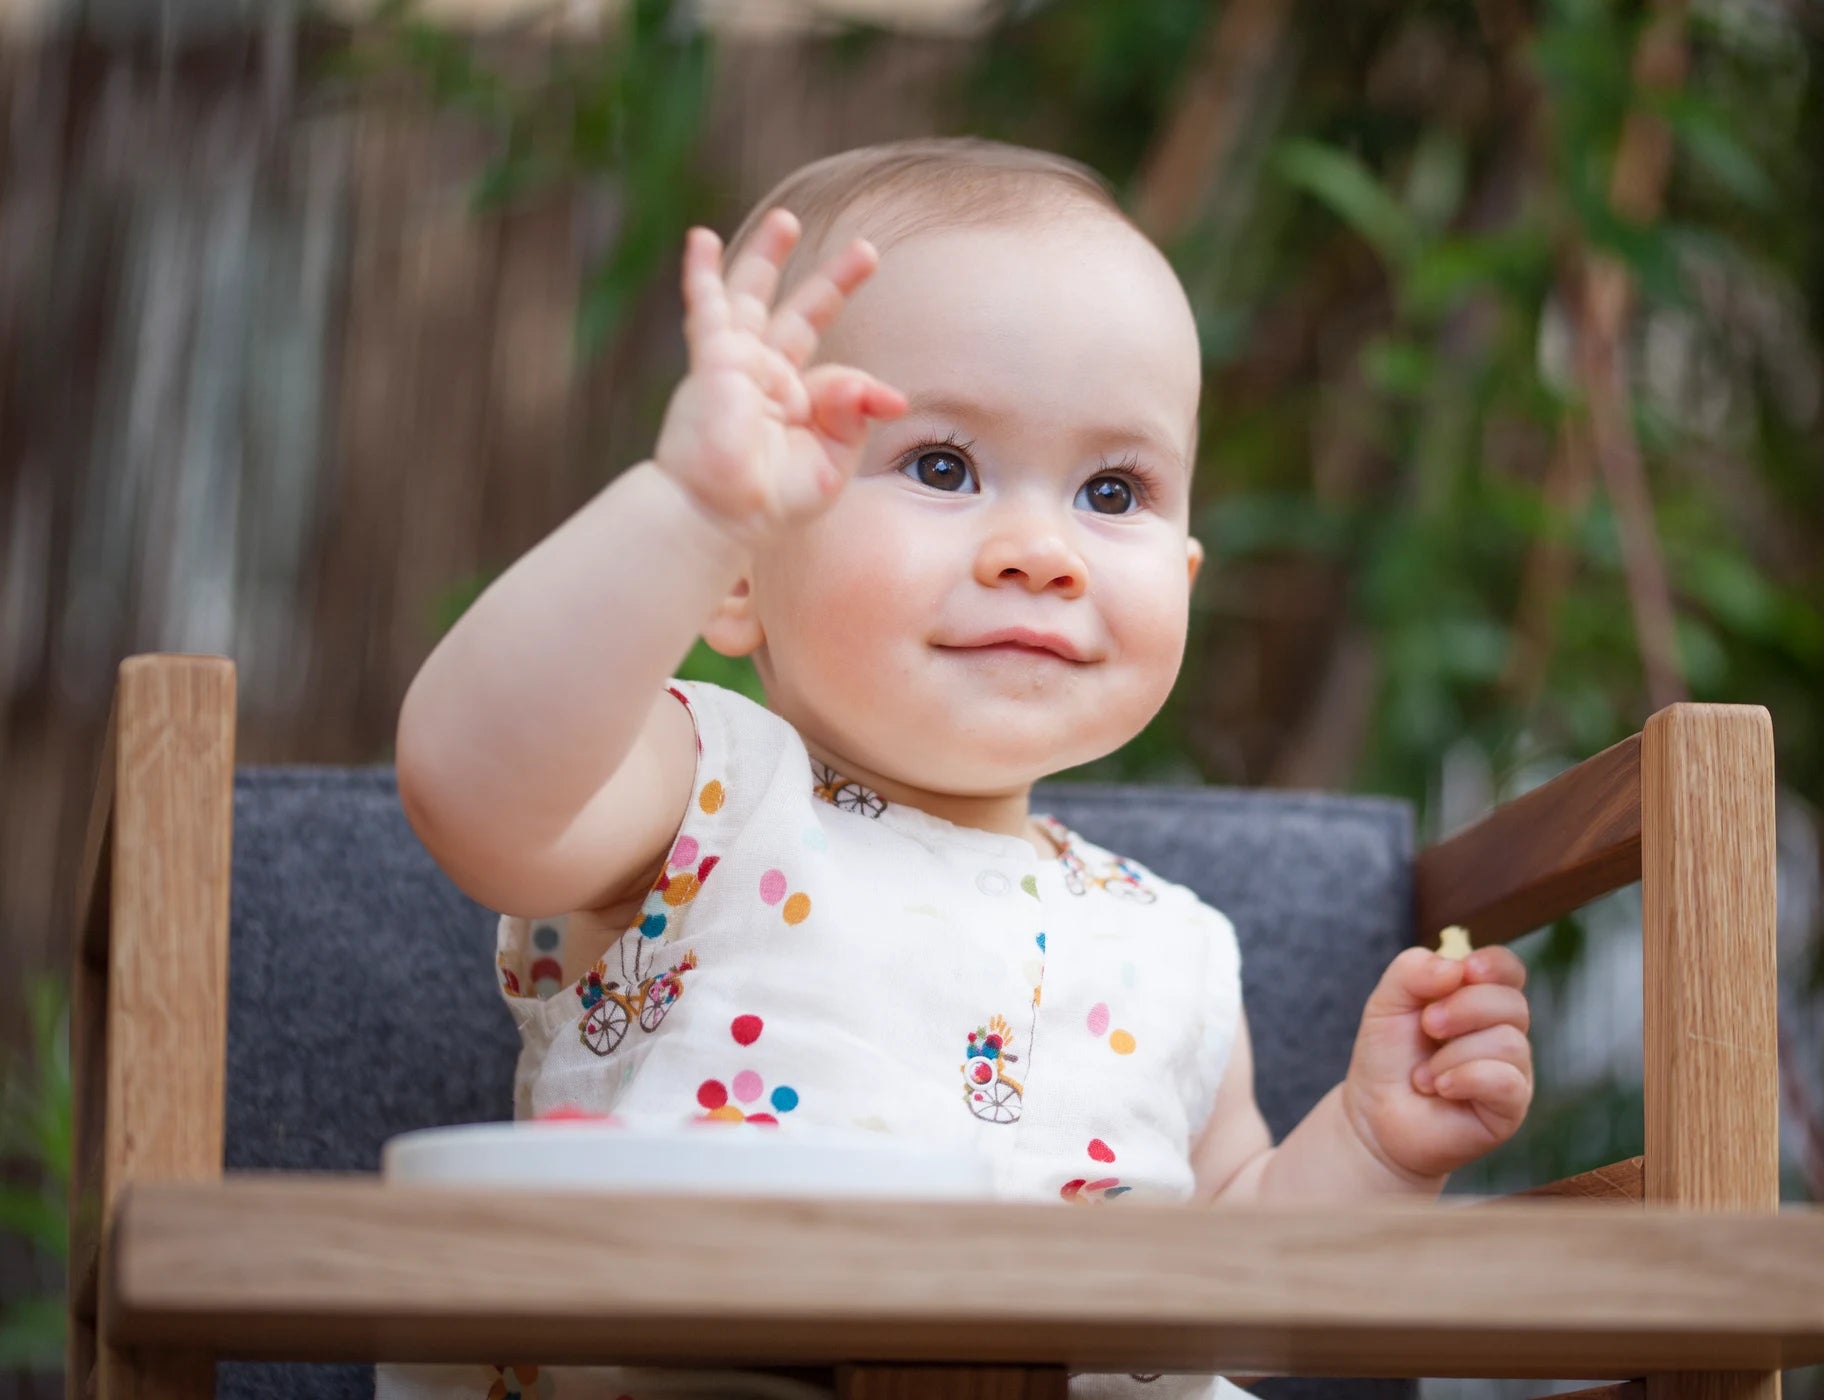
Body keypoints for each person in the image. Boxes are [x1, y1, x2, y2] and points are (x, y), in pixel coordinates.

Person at [386, 137, 1535, 1400]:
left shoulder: (1175, 946)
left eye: (1113, 487)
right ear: (737, 569)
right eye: (942, 465)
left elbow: (1233, 1293)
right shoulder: (708, 786)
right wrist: (682, 507)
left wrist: (1372, 1147)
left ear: (1187, 578)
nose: (1041, 548)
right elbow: (472, 785)